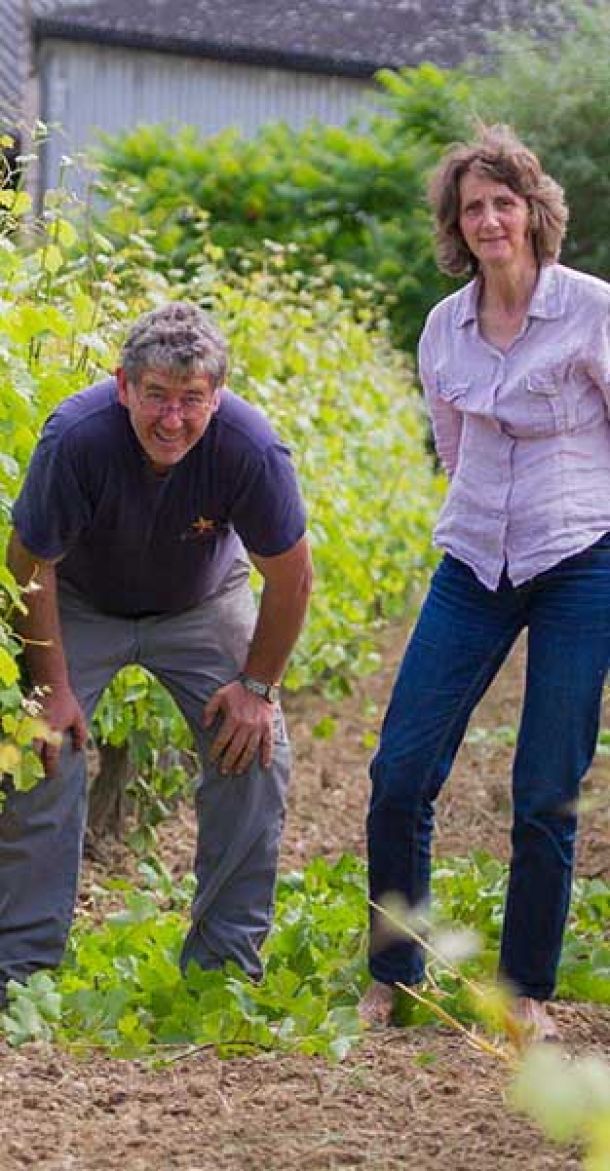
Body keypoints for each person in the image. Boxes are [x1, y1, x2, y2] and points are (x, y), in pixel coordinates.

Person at [361, 125, 610, 1041]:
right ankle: (395, 974)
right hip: (473, 560)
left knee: (545, 783)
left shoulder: (592, 310)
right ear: (457, 226)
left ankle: (526, 990)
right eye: (473, 207)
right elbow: (453, 448)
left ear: (534, 211)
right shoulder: (443, 327)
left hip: (581, 558)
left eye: (504, 201)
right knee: (399, 773)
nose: (490, 218)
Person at [0, 301, 312, 1007]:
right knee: (41, 745)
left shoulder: (249, 448)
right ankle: (19, 974)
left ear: (218, 395)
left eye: (191, 401)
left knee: (255, 748)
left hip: (200, 601)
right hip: (78, 599)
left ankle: (224, 967)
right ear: (122, 385)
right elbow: (29, 560)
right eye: (157, 397)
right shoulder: (76, 437)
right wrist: (50, 685)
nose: (172, 419)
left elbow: (292, 575)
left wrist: (257, 689)